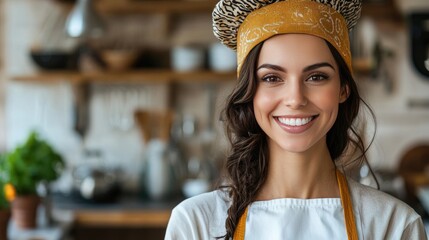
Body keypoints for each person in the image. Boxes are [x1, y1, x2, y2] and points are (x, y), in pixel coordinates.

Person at [165, 0, 428, 239]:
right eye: (271, 78)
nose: (295, 98)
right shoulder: (195, 224)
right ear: (250, 93)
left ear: (343, 89)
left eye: (316, 77)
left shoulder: (393, 226)